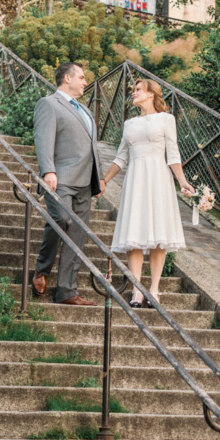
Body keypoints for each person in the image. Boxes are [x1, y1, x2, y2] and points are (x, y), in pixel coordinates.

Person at [101, 79, 193, 306]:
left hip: (158, 179)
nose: (133, 93)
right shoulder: (129, 124)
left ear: (152, 94)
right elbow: (121, 158)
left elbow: (173, 154)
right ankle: (137, 290)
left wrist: (182, 181)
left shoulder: (166, 119)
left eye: (138, 90)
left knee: (157, 235)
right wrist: (103, 180)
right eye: (133, 91)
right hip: (135, 180)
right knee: (134, 236)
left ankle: (154, 289)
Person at [32, 61, 104, 306]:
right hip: (60, 178)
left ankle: (66, 291)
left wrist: (100, 176)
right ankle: (42, 269)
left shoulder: (85, 111)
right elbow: (43, 139)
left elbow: (93, 147)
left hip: (85, 182)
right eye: (82, 77)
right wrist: (48, 170)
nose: (85, 82)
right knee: (61, 219)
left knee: (77, 235)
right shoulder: (49, 104)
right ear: (67, 78)